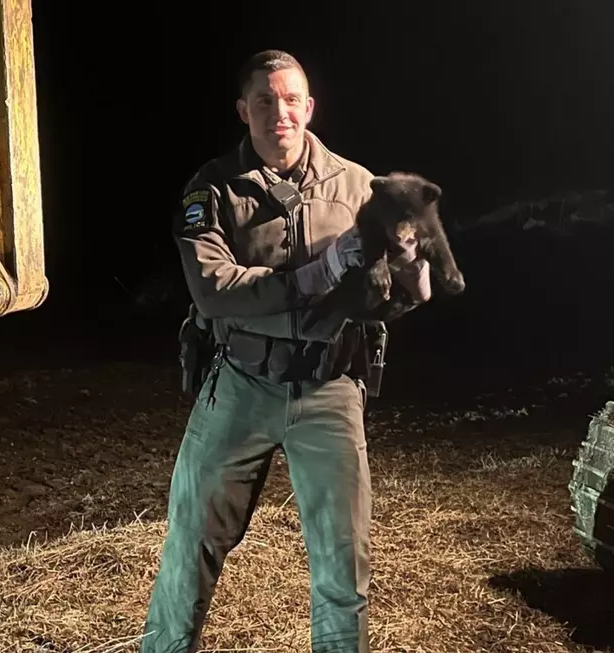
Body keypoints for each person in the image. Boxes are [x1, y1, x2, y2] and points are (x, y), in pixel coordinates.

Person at [140, 50, 432, 653]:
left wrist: (409, 283)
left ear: (310, 106)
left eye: (292, 99)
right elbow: (212, 290)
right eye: (266, 101)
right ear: (245, 110)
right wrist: (315, 273)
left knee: (342, 560)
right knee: (190, 545)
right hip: (242, 383)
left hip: (330, 388)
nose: (281, 113)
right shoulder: (213, 188)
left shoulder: (359, 187)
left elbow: (379, 299)